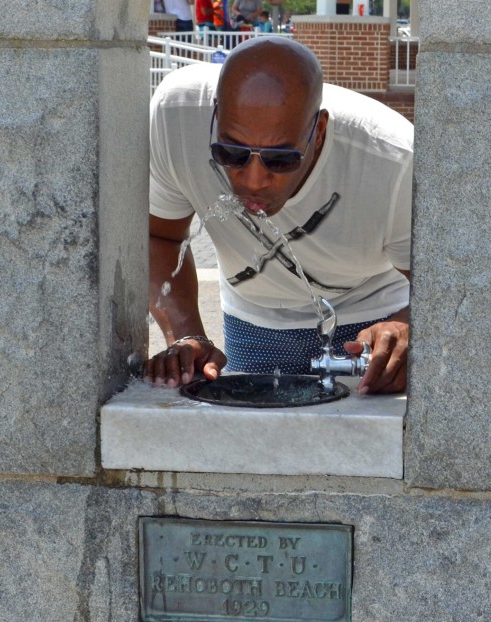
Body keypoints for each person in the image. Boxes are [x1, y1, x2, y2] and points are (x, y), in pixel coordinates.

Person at [146, 38, 412, 396]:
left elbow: (449, 291)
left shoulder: (393, 161)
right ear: (214, 114)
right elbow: (159, 236)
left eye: (281, 160)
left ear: (317, 133)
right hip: (255, 320)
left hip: (372, 320)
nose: (253, 180)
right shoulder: (176, 115)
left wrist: (409, 329)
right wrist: (187, 337)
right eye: (232, 153)